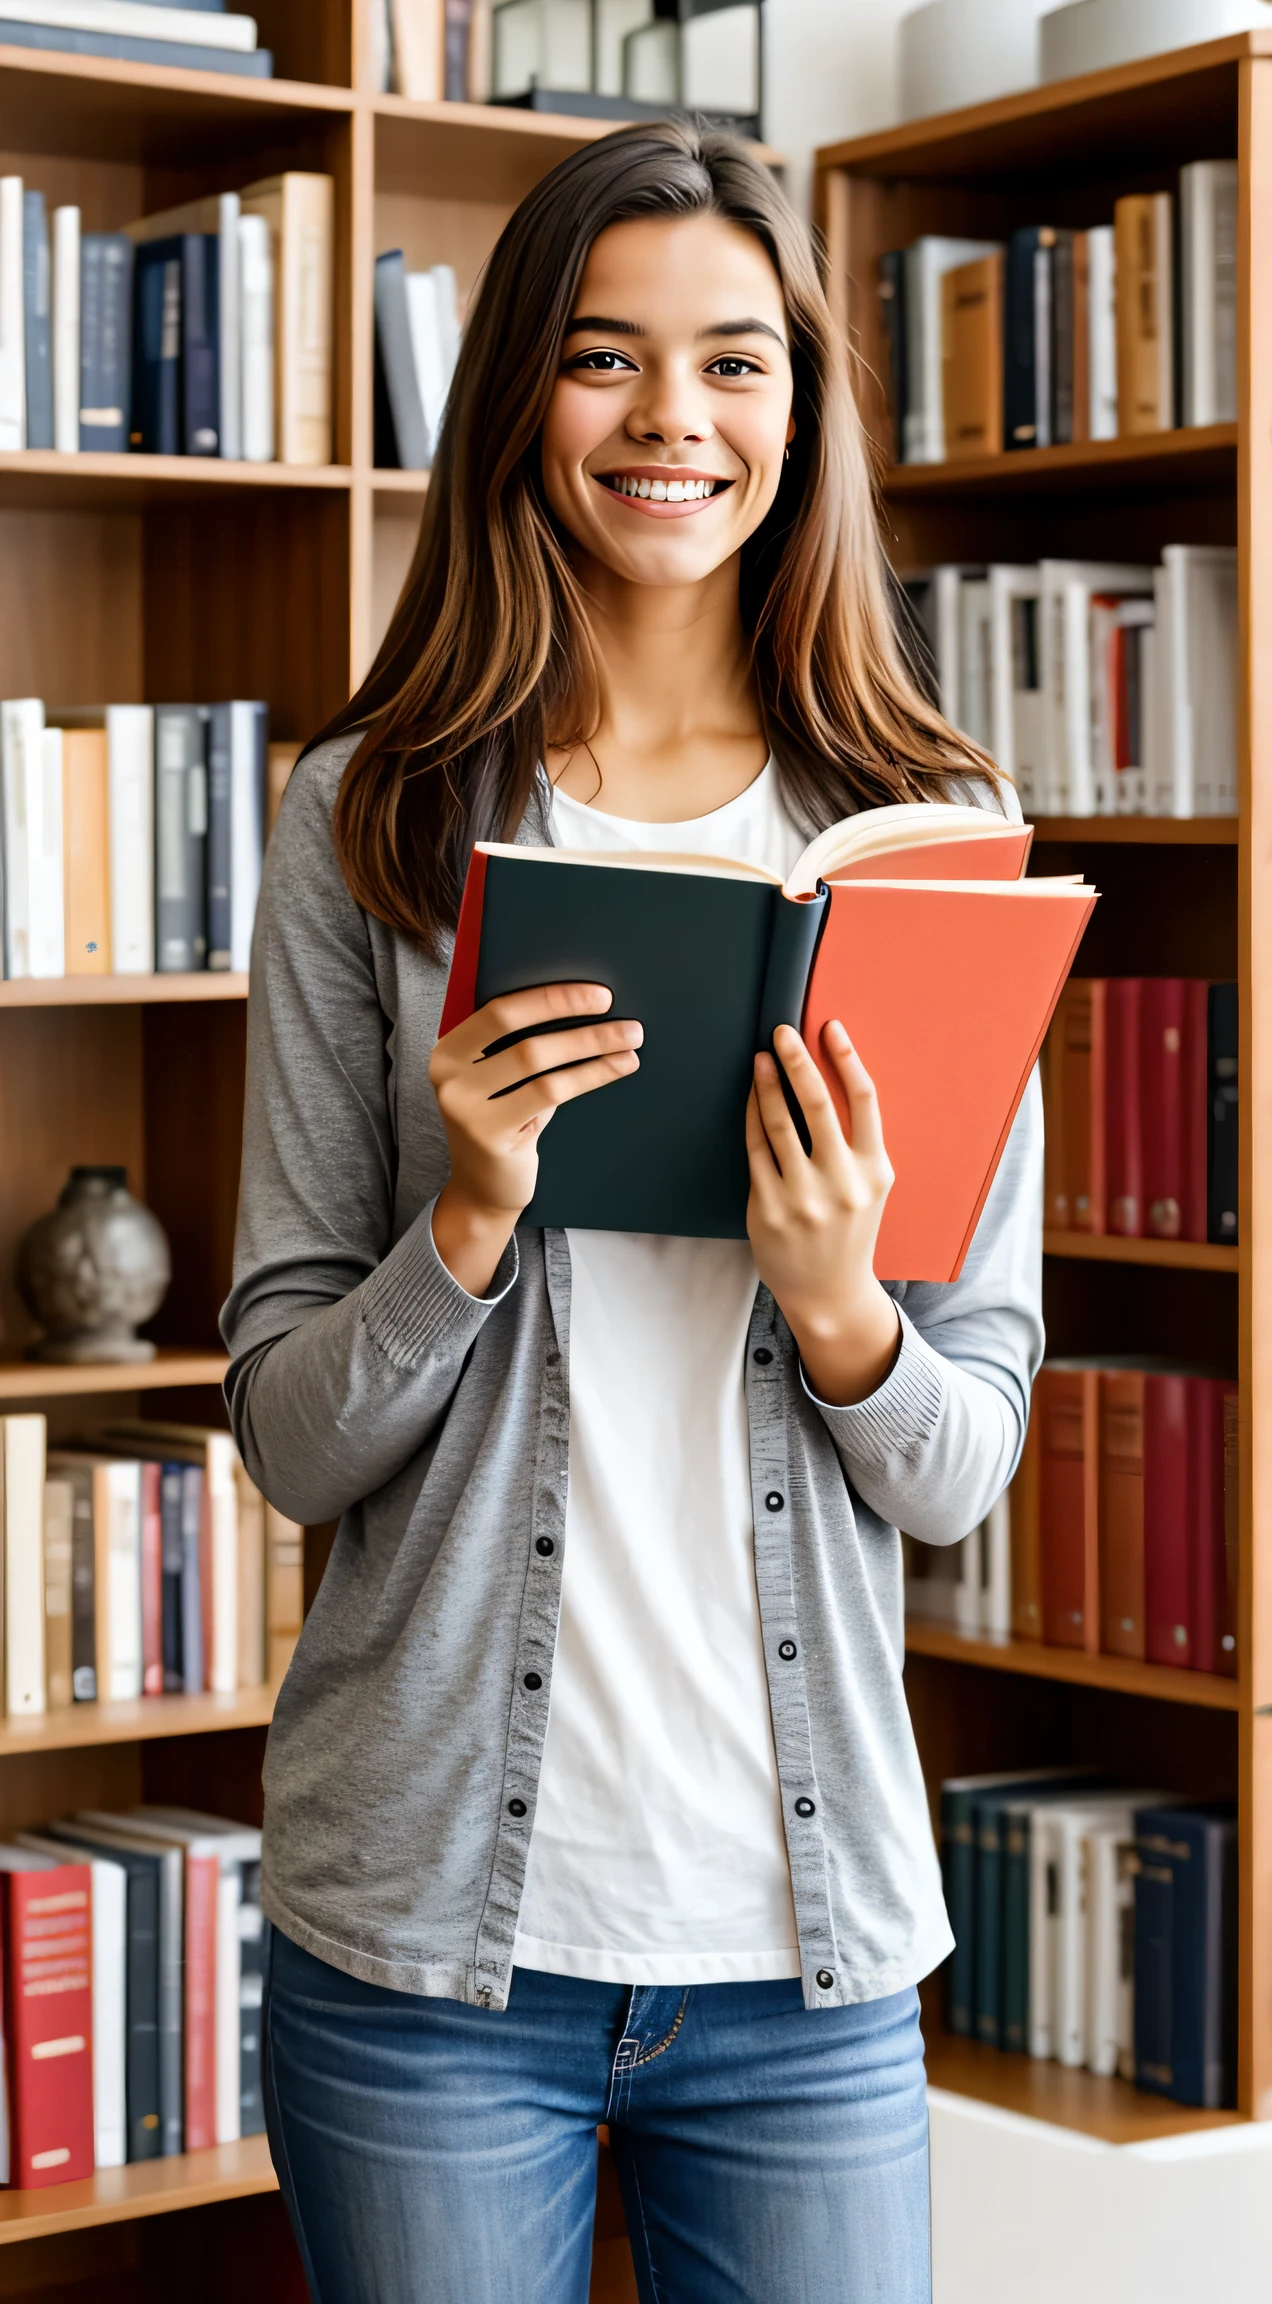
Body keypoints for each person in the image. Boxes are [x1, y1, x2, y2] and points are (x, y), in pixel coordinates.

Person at [224, 121, 1042, 2304]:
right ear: (519, 398)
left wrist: (847, 1305)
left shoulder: (937, 837)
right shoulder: (368, 821)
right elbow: (292, 1434)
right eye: (605, 358)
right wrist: (468, 1220)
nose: (673, 420)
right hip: (423, 1955)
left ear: (803, 405)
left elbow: (967, 1462)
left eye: (736, 363)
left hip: (808, 1955)